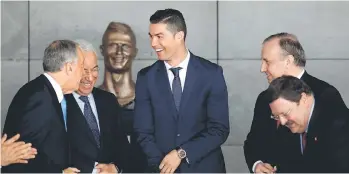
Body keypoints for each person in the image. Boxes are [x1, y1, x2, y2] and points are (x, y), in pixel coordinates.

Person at [133, 8, 229, 173]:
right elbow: (143, 132)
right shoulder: (146, 78)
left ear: (179, 36)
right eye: (151, 36)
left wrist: (181, 154)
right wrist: (162, 165)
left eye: (159, 36)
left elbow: (219, 129)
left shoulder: (211, 73)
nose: (153, 44)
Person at [243, 32, 347, 173]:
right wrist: (257, 164)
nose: (262, 69)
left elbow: (337, 151)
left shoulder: (325, 94)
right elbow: (253, 141)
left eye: (267, 61)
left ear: (288, 61)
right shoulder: (265, 98)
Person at [2, 40, 84, 173]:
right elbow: (22, 158)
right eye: (82, 67)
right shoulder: (38, 97)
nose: (83, 73)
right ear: (69, 67)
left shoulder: (43, 92)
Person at [266, 75, 349, 173]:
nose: (282, 122)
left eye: (285, 114)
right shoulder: (288, 127)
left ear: (303, 99)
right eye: (276, 116)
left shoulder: (340, 126)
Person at [65, 39, 130, 173]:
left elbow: (123, 146)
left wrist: (115, 168)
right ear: (71, 69)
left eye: (94, 69)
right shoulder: (59, 103)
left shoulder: (108, 100)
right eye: (84, 71)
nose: (90, 77)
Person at [98, 22, 147, 172]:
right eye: (113, 45)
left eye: (125, 46)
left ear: (135, 51)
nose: (119, 52)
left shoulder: (149, 101)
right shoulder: (89, 101)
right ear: (102, 50)